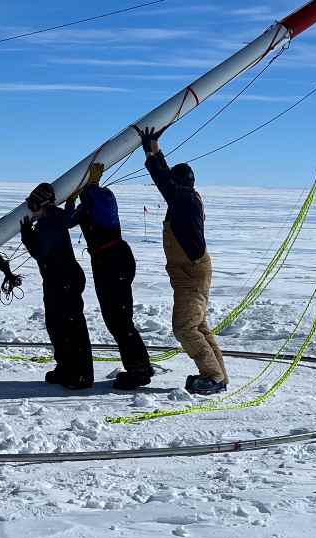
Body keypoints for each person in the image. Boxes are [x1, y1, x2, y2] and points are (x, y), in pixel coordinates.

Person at [135, 125, 228, 395]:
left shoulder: (184, 199)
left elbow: (163, 180)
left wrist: (152, 150)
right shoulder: (184, 199)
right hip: (190, 273)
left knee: (185, 328)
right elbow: (167, 182)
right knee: (197, 326)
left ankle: (213, 376)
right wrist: (153, 150)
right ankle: (218, 376)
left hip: (191, 274)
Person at [65, 163, 154, 390]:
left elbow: (96, 204)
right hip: (109, 260)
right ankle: (140, 364)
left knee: (119, 318)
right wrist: (71, 200)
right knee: (117, 318)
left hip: (112, 261)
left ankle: (139, 370)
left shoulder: (104, 198)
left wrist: (91, 186)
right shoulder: (89, 206)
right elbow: (68, 221)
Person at [20, 182, 94, 389]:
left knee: (70, 327)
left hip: (63, 280)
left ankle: (80, 375)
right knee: (57, 326)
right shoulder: (56, 216)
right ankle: (66, 368)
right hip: (59, 279)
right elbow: (70, 218)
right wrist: (70, 202)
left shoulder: (48, 222)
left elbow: (40, 252)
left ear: (39, 204)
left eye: (33, 204)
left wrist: (27, 235)